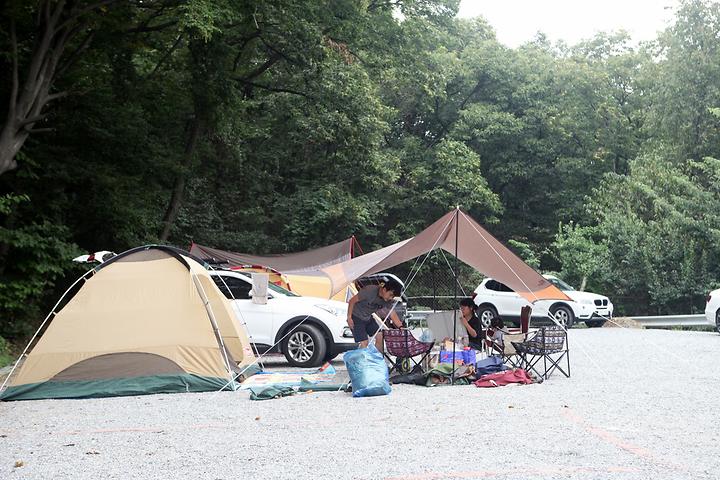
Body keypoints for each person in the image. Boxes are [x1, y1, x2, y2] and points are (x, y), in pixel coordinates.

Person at [347, 278, 404, 350]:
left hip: (368, 317)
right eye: (390, 295)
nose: (391, 298)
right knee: (364, 343)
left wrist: (400, 327)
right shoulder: (369, 291)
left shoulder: (387, 300)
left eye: (392, 297)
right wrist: (349, 317)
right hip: (356, 317)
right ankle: (360, 360)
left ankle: (378, 359)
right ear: (384, 289)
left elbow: (392, 313)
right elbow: (352, 301)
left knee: (380, 336)